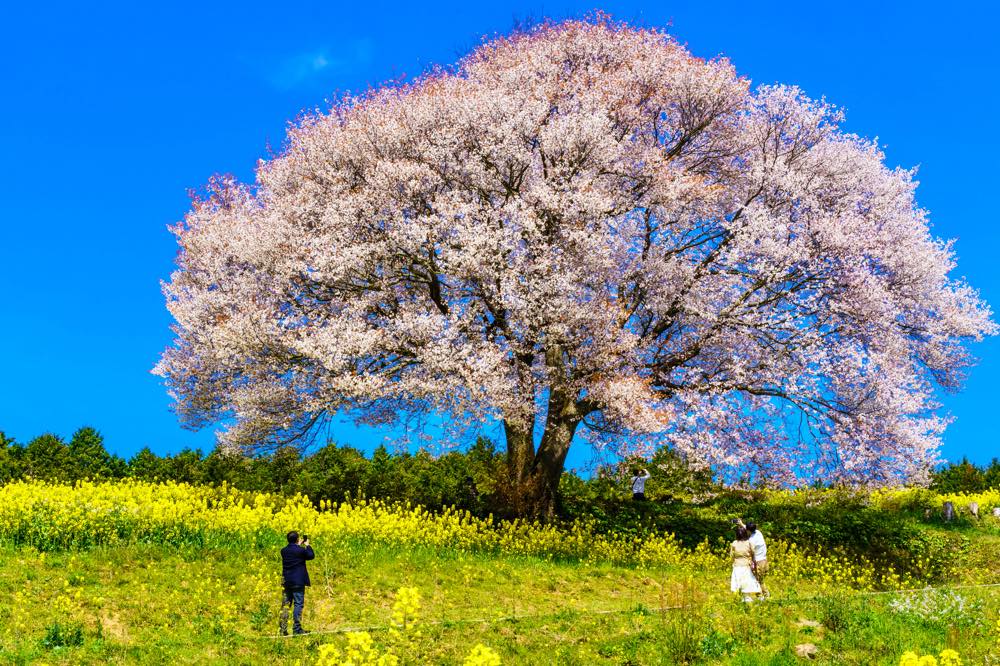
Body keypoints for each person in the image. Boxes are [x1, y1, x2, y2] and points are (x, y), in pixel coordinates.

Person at [280, 530, 315, 636]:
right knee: (298, 604)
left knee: (285, 605)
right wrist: (307, 545)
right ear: (297, 539)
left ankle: (282, 629)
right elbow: (311, 555)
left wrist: (298, 545)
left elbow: (293, 551)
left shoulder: (283, 551)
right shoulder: (300, 550)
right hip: (298, 581)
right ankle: (297, 629)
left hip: (286, 581)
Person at [730, 525, 761, 602]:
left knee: (738, 582)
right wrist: (754, 563)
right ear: (745, 534)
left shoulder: (734, 543)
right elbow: (753, 554)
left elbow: (731, 555)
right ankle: (747, 598)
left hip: (737, 566)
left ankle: (742, 598)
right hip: (746, 565)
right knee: (747, 582)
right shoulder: (749, 543)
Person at [744, 521, 769, 598]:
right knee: (760, 580)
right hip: (764, 561)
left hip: (758, 563)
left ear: (748, 530)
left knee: (756, 581)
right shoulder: (758, 533)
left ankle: (763, 596)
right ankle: (764, 596)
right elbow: (749, 528)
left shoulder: (751, 540)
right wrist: (741, 524)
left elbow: (751, 553)